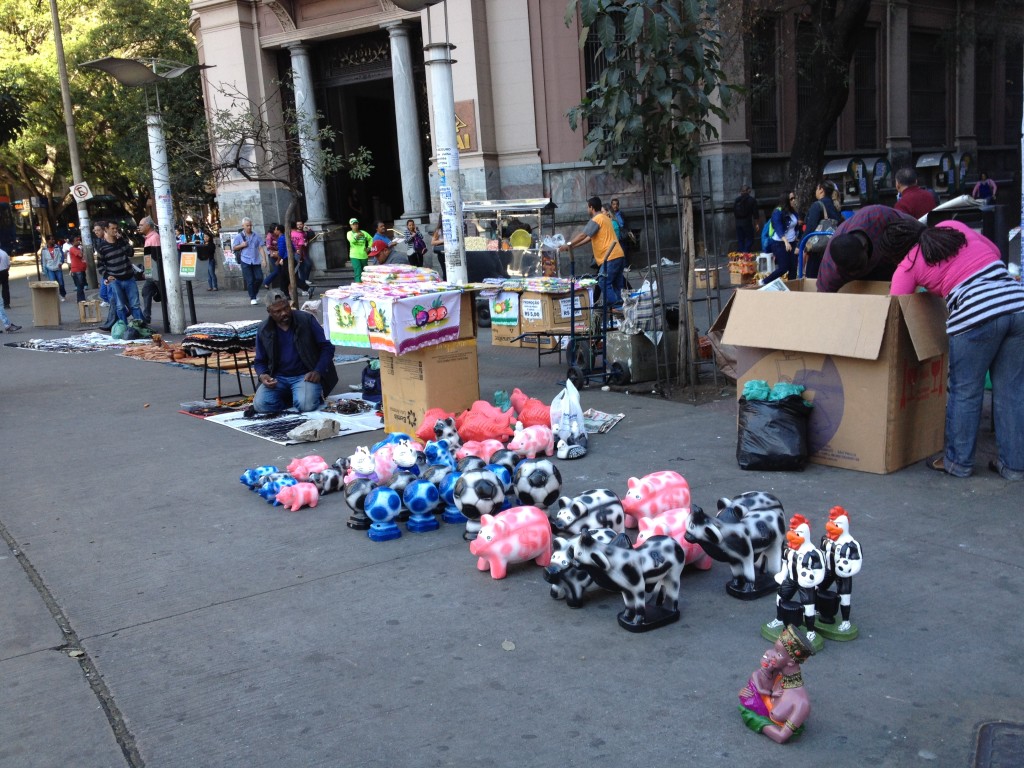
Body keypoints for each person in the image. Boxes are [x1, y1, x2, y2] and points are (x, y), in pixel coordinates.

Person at [887, 217, 1024, 480]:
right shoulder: (952, 227)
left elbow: (895, 308)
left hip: (977, 314)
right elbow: (993, 252)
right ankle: (1014, 466)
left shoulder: (908, 264)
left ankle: (958, 463)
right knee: (1012, 391)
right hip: (1017, 303)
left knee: (965, 391)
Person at [252, 288, 338, 414]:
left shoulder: (306, 320)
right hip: (278, 378)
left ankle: (303, 396)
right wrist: (263, 375)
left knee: (306, 405)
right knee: (260, 405)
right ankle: (293, 398)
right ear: (269, 312)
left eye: (286, 308)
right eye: (278, 311)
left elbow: (327, 346)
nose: (284, 313)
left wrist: (318, 370)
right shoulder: (264, 329)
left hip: (304, 376)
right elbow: (259, 361)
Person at [815, 204, 918, 293]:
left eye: (857, 267)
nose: (854, 272)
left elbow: (918, 230)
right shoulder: (830, 271)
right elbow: (822, 301)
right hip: (862, 279)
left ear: (864, 246)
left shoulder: (877, 217)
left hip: (891, 259)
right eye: (848, 271)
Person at [559, 196, 626, 310]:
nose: (587, 209)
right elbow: (589, 238)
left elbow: (583, 235)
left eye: (587, 207)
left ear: (591, 207)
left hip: (610, 257)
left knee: (603, 281)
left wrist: (568, 244)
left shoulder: (597, 219)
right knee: (616, 284)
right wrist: (572, 247)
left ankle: (617, 308)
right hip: (618, 255)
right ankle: (623, 310)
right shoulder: (605, 218)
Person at [94, 220, 145, 325]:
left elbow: (130, 253)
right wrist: (107, 276)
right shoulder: (102, 247)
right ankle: (123, 326)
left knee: (135, 304)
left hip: (129, 278)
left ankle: (140, 325)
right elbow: (100, 265)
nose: (115, 230)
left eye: (116, 228)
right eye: (112, 228)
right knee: (120, 306)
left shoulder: (121, 242)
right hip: (115, 280)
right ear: (106, 230)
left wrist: (121, 240)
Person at [802, 180, 842, 278]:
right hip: (832, 247)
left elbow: (811, 227)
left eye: (817, 188)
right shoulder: (836, 206)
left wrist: (801, 245)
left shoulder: (817, 205)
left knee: (813, 276)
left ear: (821, 190)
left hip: (817, 249)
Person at [760, 191, 800, 284]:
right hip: (779, 243)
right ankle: (764, 281)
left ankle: (792, 288)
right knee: (783, 268)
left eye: (794, 198)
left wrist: (797, 237)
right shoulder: (777, 212)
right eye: (791, 199)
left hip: (792, 242)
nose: (794, 200)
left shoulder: (794, 212)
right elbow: (778, 227)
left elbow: (796, 227)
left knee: (793, 267)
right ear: (786, 200)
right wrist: (785, 241)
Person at [232, 217, 267, 305]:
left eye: (250, 225)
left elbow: (260, 247)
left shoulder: (256, 235)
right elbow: (234, 247)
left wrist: (264, 259)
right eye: (247, 225)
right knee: (250, 280)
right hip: (245, 260)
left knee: (259, 278)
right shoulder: (239, 236)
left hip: (255, 260)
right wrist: (242, 245)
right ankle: (253, 297)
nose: (249, 227)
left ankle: (253, 293)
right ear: (243, 226)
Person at [138, 216, 162, 325]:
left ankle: (170, 316)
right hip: (151, 272)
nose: (139, 227)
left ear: (148, 225)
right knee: (146, 291)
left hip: (156, 272)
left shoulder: (154, 237)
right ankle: (146, 317)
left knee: (163, 295)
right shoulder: (148, 238)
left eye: (141, 225)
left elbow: (156, 256)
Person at [40, 236, 68, 301]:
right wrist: (43, 269)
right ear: (47, 241)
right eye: (51, 239)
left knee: (61, 282)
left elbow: (62, 256)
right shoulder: (44, 250)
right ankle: (56, 295)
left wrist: (60, 262)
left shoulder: (57, 247)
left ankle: (62, 294)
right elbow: (43, 260)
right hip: (49, 268)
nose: (53, 240)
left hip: (58, 267)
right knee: (53, 283)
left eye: (53, 239)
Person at [262, 224, 289, 292]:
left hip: (278, 253)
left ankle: (283, 286)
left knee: (281, 270)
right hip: (273, 254)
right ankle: (266, 281)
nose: (276, 231)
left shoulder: (278, 235)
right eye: (275, 229)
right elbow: (268, 246)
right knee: (277, 270)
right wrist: (276, 248)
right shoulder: (269, 236)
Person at [733, 184, 758, 253]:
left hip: (738, 223)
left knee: (740, 240)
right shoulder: (752, 200)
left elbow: (734, 212)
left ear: (741, 191)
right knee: (750, 238)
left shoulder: (737, 200)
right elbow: (755, 214)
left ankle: (741, 254)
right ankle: (745, 253)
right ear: (748, 191)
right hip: (747, 222)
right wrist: (756, 224)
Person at [347, 218, 371, 283]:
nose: (355, 225)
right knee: (358, 271)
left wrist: (369, 247)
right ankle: (358, 286)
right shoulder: (349, 233)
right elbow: (352, 241)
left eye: (356, 224)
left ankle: (366, 285)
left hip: (363, 255)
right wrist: (357, 235)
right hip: (354, 255)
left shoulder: (364, 232)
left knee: (365, 272)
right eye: (353, 224)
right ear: (350, 226)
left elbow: (371, 239)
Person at [290, 220, 312, 290]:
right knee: (301, 269)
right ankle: (303, 286)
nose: (299, 226)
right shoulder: (294, 234)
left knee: (307, 265)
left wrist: (309, 229)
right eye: (298, 224)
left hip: (301, 253)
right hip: (298, 253)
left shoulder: (304, 233)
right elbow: (300, 245)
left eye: (300, 224)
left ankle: (304, 281)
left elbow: (311, 235)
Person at [68, 236, 87, 303]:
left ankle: (81, 299)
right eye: (76, 240)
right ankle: (81, 300)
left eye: (78, 240)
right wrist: (81, 250)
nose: (78, 241)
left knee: (81, 285)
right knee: (80, 286)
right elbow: (80, 255)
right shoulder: (72, 249)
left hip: (81, 269)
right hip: (77, 270)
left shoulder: (78, 248)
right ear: (73, 242)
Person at [0, 243, 12, 309]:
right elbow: (8, 265)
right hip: (4, 271)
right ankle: (6, 304)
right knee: (5, 288)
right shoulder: (4, 253)